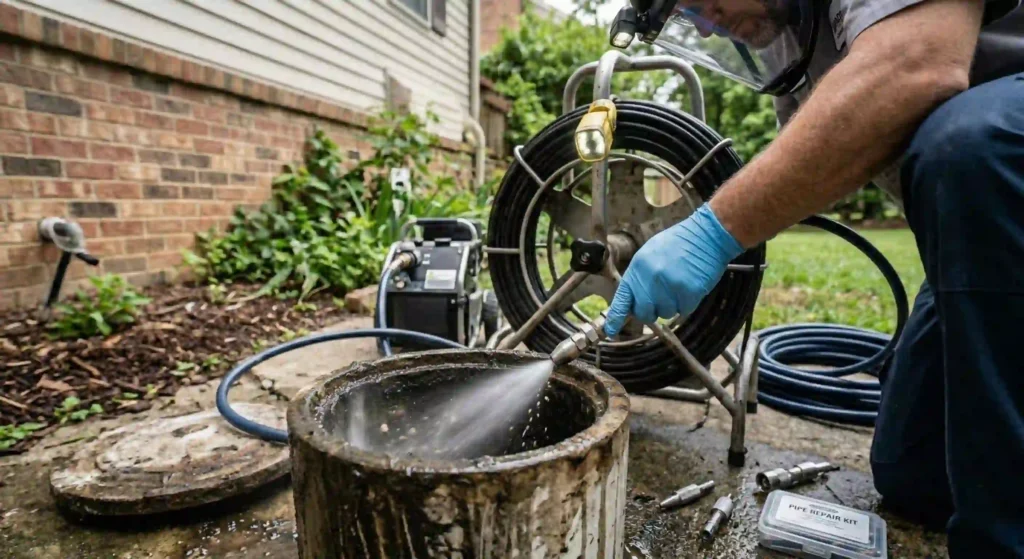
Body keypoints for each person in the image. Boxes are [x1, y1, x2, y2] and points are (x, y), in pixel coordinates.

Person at [605, 0, 1024, 555]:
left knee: (972, 146)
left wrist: (713, 230)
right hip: (987, 246)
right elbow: (823, 159)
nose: (706, 22)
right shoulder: (791, 43)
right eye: (689, 16)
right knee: (915, 472)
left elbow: (918, 64)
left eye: (699, 2)